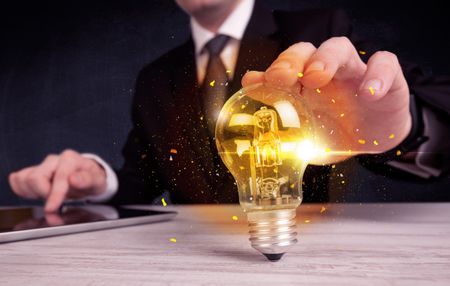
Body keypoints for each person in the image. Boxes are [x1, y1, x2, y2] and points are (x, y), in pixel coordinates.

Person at [8, 0, 449, 212]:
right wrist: (95, 180)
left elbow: (437, 106)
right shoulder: (157, 79)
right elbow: (140, 185)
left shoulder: (314, 32)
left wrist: (403, 127)